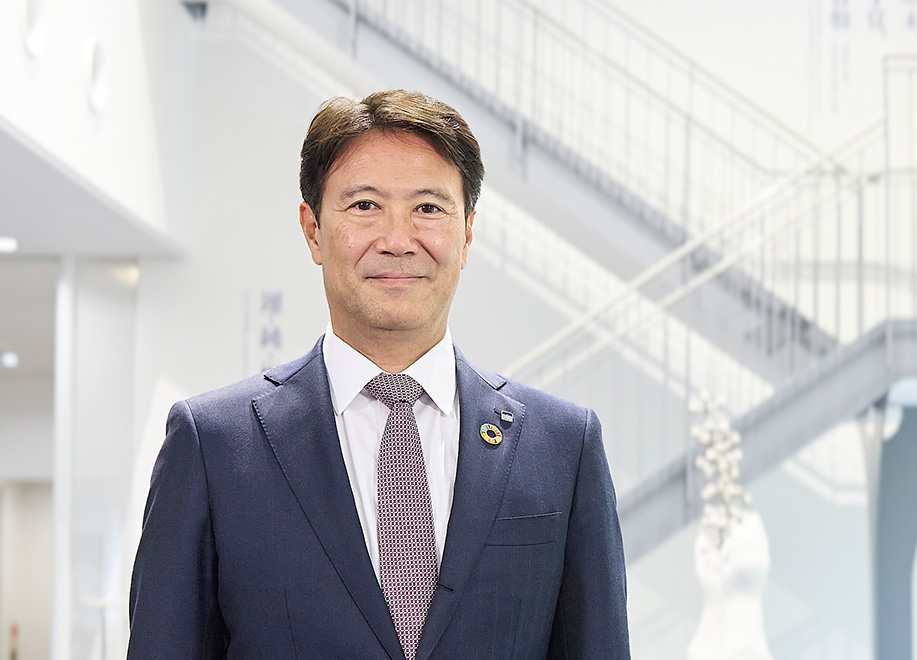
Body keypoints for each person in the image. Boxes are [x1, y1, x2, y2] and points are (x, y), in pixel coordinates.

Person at [127, 90, 630, 660]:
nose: (397, 240)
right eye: (365, 205)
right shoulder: (213, 446)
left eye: (428, 208)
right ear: (313, 230)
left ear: (467, 233)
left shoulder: (563, 448)